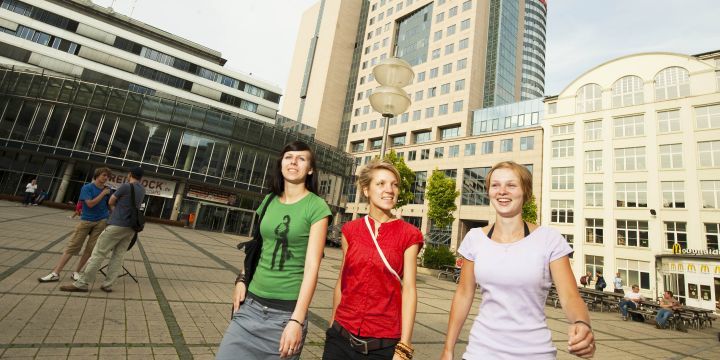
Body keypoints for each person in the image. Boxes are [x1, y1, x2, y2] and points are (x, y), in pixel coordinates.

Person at [442, 161, 595, 359]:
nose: (502, 191)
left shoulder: (549, 239)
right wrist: (448, 349)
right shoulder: (474, 238)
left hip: (534, 353)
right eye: (495, 185)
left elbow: (570, 297)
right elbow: (463, 294)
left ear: (525, 191)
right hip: (480, 351)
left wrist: (581, 323)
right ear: (488, 192)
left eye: (511, 185)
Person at [216, 141, 331, 360]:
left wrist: (296, 321)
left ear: (310, 169)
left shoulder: (317, 207)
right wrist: (241, 278)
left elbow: (312, 268)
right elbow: (257, 245)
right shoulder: (268, 201)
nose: (294, 162)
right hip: (249, 306)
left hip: (285, 316)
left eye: (301, 158)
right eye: (288, 157)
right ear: (281, 164)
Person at [323, 159, 423, 360]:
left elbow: (410, 289)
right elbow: (343, 281)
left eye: (394, 184)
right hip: (340, 339)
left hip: (382, 345)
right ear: (366, 190)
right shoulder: (350, 230)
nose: (390, 189)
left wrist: (404, 345)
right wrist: (332, 324)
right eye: (381, 184)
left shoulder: (410, 234)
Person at [60, 166, 145, 293]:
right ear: (141, 177)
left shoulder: (126, 186)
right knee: (118, 255)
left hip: (117, 224)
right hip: (131, 227)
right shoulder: (142, 190)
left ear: (130, 174)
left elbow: (111, 201)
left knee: (98, 253)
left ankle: (82, 283)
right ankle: (108, 284)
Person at [38, 168, 112, 283]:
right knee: (73, 246)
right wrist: (103, 194)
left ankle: (76, 272)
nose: (106, 178)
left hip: (101, 221)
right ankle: (56, 273)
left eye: (108, 176)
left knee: (90, 249)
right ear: (97, 175)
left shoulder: (108, 190)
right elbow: (90, 204)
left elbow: (109, 205)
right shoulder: (87, 188)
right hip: (87, 220)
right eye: (104, 175)